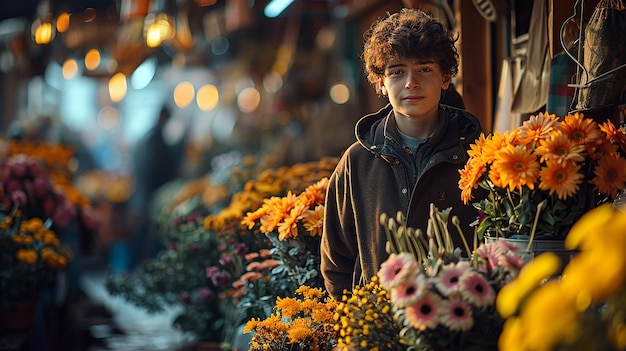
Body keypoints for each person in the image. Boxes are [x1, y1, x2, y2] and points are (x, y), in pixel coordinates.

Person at [320, 8, 484, 301]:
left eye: (424, 69)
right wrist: (363, 327)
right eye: (397, 71)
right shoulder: (356, 162)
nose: (411, 82)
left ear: (445, 77)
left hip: (461, 326)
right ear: (380, 82)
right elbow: (336, 263)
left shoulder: (479, 155)